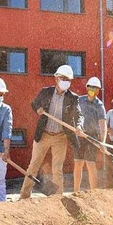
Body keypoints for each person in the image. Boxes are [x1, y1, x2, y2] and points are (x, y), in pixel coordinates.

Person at [19, 65, 84, 199]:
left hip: (60, 137)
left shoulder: (73, 98)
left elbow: (79, 115)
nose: (66, 81)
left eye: (68, 79)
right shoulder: (46, 92)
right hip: (43, 135)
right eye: (63, 78)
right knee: (33, 166)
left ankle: (58, 198)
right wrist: (38, 108)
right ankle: (24, 196)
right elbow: (34, 103)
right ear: (56, 78)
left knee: (57, 169)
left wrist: (79, 126)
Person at [73, 77, 107, 191]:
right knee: (78, 163)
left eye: (95, 88)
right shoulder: (79, 100)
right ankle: (76, 191)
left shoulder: (99, 105)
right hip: (79, 135)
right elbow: (73, 115)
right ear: (87, 88)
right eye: (91, 87)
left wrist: (102, 142)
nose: (92, 90)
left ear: (98, 90)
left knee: (90, 164)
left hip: (92, 137)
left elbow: (103, 125)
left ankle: (94, 192)